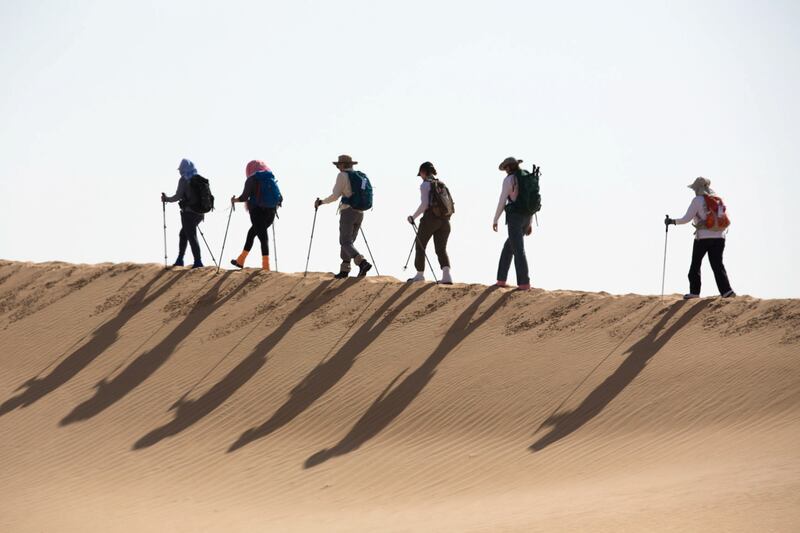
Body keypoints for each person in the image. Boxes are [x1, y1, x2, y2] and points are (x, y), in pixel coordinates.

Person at [665, 177, 735, 299]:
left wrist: (671, 221)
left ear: (697, 188)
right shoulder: (718, 200)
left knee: (695, 265)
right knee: (718, 265)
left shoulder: (697, 200)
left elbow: (686, 219)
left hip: (703, 238)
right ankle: (727, 291)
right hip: (720, 237)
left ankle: (694, 292)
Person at [314, 154, 373, 279]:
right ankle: (344, 270)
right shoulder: (359, 176)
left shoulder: (342, 176)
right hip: (360, 212)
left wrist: (321, 202)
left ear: (342, 165)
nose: (337, 168)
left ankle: (362, 263)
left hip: (348, 212)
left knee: (345, 242)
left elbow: (335, 196)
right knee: (348, 243)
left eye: (338, 165)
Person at [230, 160, 282, 271]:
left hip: (257, 212)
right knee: (252, 233)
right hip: (270, 213)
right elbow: (280, 198)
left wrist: (234, 200)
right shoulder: (270, 177)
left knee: (263, 238)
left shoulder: (251, 179)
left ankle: (266, 266)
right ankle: (240, 260)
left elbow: (244, 197)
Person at [407, 161, 453, 284]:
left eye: (420, 174)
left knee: (420, 245)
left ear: (423, 172)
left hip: (430, 220)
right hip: (445, 221)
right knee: (441, 249)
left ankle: (419, 275)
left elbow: (424, 205)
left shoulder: (425, 185)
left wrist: (413, 217)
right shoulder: (442, 184)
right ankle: (447, 276)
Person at [493, 156, 533, 290]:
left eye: (505, 168)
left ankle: (524, 283)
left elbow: (502, 200)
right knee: (508, 247)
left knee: (518, 250)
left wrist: (495, 219)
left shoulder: (509, 180)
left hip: (515, 217)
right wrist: (530, 222)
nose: (505, 170)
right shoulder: (526, 176)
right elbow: (530, 200)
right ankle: (501, 280)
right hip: (527, 216)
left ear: (509, 167)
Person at [161, 158, 204, 268]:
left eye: (180, 169)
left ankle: (198, 262)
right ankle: (180, 259)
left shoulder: (184, 180)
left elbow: (178, 196)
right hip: (200, 213)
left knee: (191, 236)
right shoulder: (197, 178)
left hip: (188, 213)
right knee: (184, 234)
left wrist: (167, 199)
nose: (180, 171)